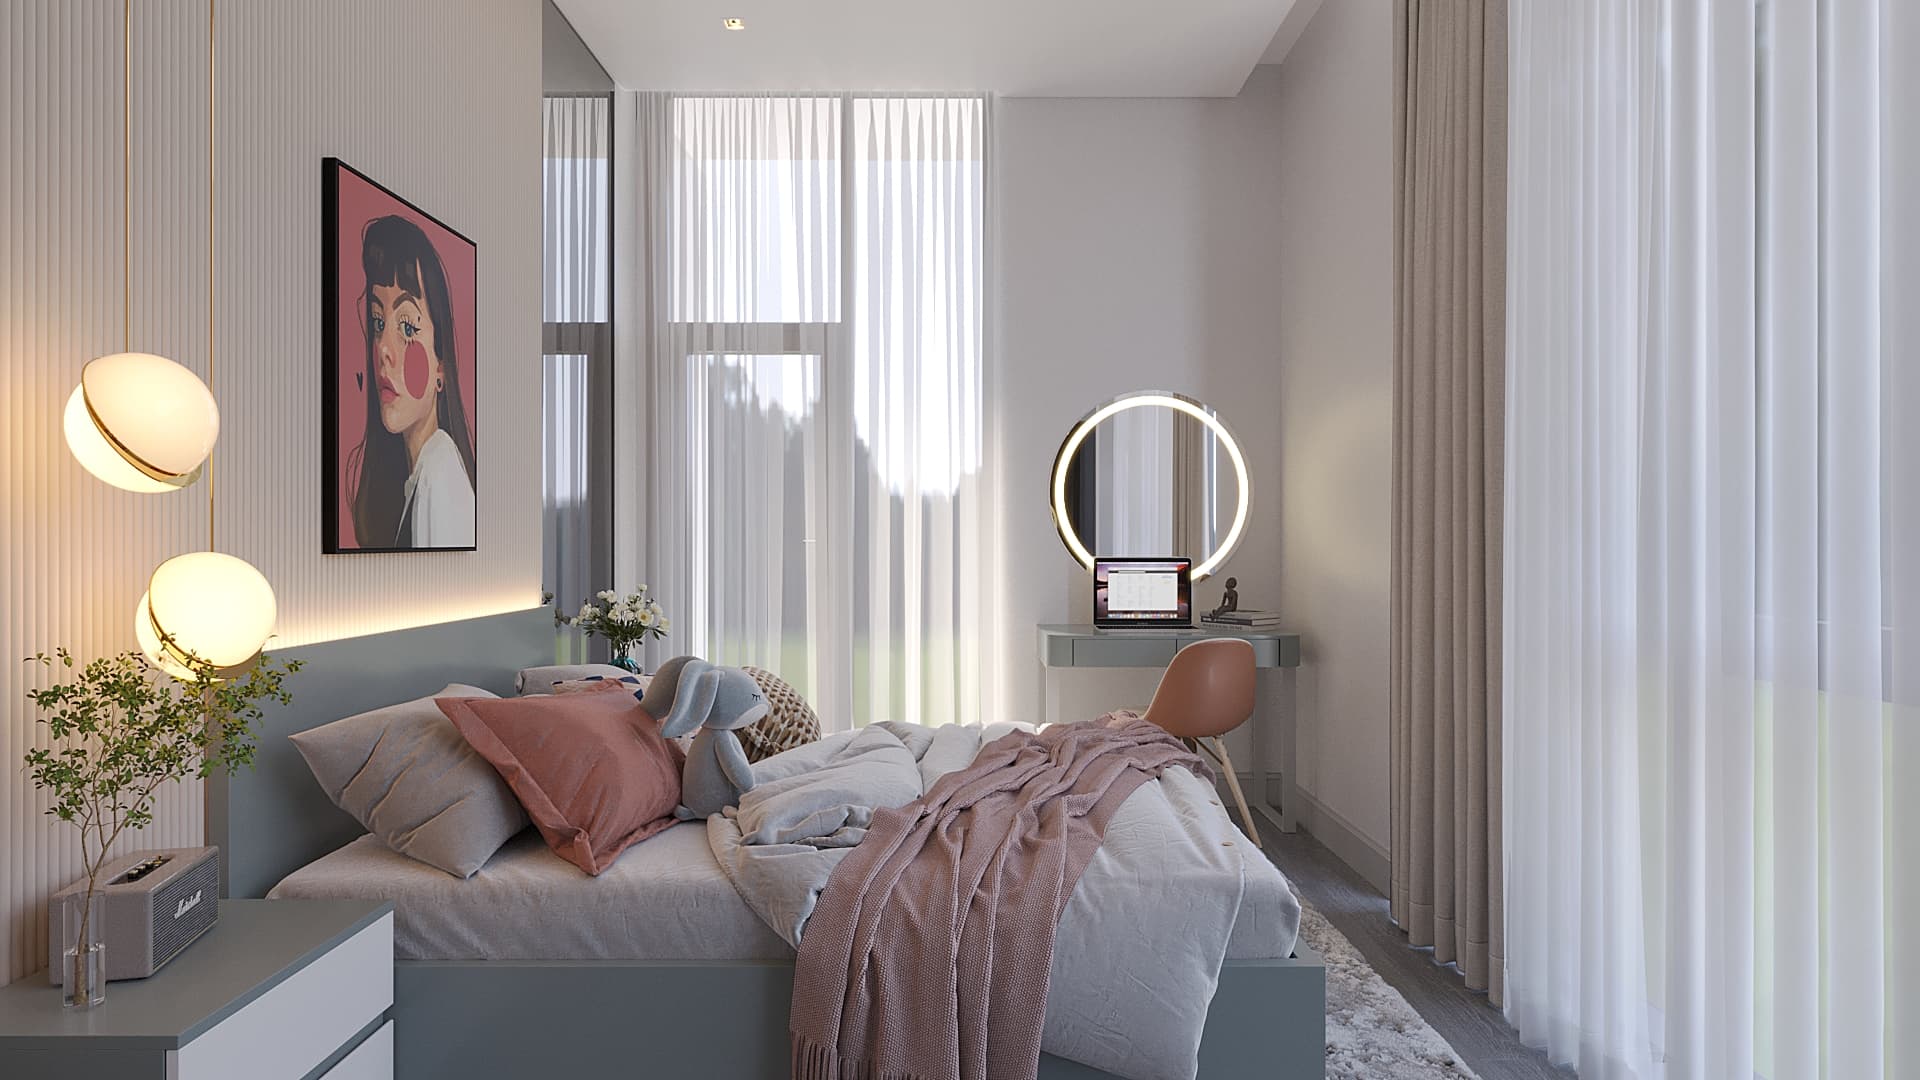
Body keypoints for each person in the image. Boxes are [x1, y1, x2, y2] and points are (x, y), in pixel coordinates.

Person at [346, 215, 476, 548]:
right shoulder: (422, 474)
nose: (384, 349)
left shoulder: (439, 470)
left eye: (407, 328)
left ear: (441, 369)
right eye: (378, 322)